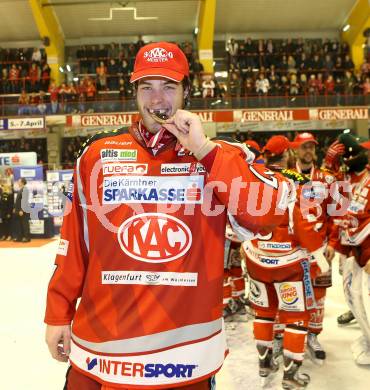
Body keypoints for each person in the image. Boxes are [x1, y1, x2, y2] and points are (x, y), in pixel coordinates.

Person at [44, 41, 287, 390]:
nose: (157, 99)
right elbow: (74, 242)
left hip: (183, 361)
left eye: (168, 87)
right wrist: (58, 311)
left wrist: (204, 150)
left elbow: (264, 217)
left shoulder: (219, 156)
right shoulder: (96, 155)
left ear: (187, 90)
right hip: (99, 353)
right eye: (147, 87)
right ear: (134, 92)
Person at [242, 135, 330, 389]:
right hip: (286, 264)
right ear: (286, 156)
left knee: (265, 312)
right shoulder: (288, 183)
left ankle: (264, 365)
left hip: (257, 260)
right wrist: (319, 255)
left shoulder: (249, 182)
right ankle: (290, 376)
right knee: (297, 316)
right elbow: (300, 224)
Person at [325, 134, 370, 364]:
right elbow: (333, 208)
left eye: (357, 155)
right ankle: (364, 329)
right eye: (348, 157)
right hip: (347, 246)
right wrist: (328, 163)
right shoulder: (343, 179)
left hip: (367, 248)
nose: (354, 159)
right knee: (352, 293)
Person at [292, 132, 337, 363]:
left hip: (319, 248)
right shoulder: (286, 178)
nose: (308, 151)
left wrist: (334, 243)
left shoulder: (328, 179)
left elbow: (336, 213)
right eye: (304, 147)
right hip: (293, 249)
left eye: (312, 147)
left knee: (318, 296)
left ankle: (313, 336)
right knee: (291, 292)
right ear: (296, 150)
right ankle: (288, 336)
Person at [13, 178, 30, 243]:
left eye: (19, 182)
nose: (18, 183)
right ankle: (20, 237)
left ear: (22, 182)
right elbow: (18, 201)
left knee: (24, 224)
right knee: (20, 224)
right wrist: (15, 208)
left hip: (23, 211)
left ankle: (27, 238)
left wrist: (21, 210)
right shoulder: (21, 189)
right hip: (18, 210)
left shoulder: (25, 190)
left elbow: (24, 201)